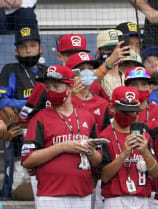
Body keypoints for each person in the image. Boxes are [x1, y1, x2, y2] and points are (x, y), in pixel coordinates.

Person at [20, 65, 101, 209]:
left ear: (70, 88)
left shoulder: (87, 117)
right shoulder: (40, 118)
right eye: (48, 87)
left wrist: (90, 151)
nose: (51, 91)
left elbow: (98, 161)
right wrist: (62, 147)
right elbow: (27, 159)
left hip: (82, 193)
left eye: (56, 87)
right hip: (51, 195)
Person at [0, 26, 46, 199]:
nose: (28, 50)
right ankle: (8, 197)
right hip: (19, 129)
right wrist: (31, 102)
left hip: (43, 130)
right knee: (15, 177)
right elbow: (2, 100)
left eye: (32, 45)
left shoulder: (46, 72)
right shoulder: (10, 69)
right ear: (16, 50)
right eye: (23, 46)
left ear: (40, 48)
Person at [99, 86, 158, 209]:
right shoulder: (105, 136)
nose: (128, 115)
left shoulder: (144, 135)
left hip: (143, 199)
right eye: (123, 111)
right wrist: (124, 154)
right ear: (112, 108)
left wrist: (145, 152)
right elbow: (104, 177)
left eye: (132, 111)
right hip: (115, 200)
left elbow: (155, 173)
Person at [66, 52, 111, 133]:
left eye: (90, 68)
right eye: (81, 68)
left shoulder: (102, 104)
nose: (86, 72)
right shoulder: (64, 102)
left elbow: (107, 132)